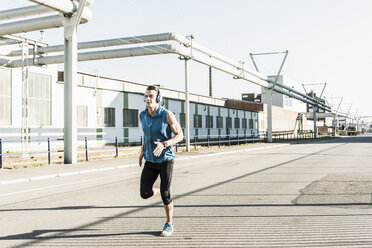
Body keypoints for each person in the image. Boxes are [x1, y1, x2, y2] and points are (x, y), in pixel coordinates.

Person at [139, 85, 183, 236]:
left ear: (158, 98)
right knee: (144, 193)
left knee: (166, 194)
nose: (148, 99)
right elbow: (145, 134)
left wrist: (165, 144)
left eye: (151, 96)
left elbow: (180, 136)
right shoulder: (142, 115)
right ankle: (161, 190)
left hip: (165, 159)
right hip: (150, 160)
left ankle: (169, 223)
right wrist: (141, 151)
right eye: (146, 96)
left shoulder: (167, 115)